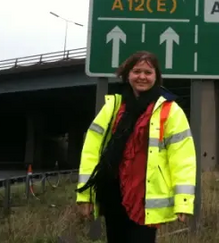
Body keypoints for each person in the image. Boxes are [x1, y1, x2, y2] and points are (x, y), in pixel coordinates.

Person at [75, 51, 197, 243]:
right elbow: (91, 152)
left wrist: (183, 201)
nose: (142, 76)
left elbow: (183, 158)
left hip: (145, 197)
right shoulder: (113, 107)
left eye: (148, 72)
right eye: (137, 71)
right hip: (112, 193)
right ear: (127, 75)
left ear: (156, 77)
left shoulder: (170, 110)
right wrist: (85, 195)